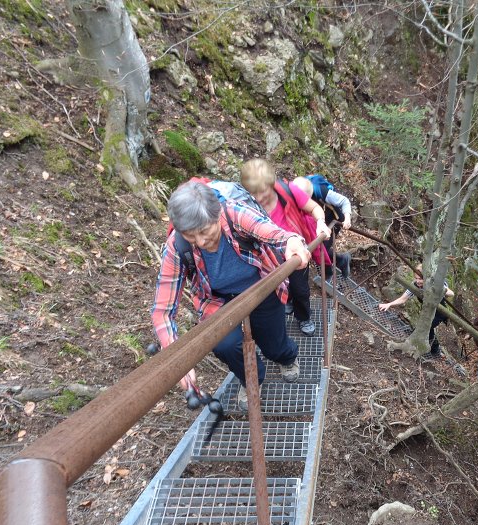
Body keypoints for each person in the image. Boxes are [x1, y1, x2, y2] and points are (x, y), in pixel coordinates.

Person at [151, 180, 310, 410]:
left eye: (205, 231)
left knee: (273, 343)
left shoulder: (234, 212)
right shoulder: (177, 247)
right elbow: (162, 311)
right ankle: (252, 379)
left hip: (261, 287)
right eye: (191, 236)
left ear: (217, 215)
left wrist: (292, 241)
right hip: (219, 301)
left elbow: (271, 231)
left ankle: (286, 358)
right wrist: (176, 360)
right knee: (225, 345)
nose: (201, 242)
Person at [240, 159, 332, 337]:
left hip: (296, 255)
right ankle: (288, 301)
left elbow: (314, 208)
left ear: (272, 183)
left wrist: (320, 222)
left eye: (263, 192)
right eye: (254, 193)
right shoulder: (245, 203)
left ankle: (304, 316)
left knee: (300, 289)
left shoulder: (288, 191)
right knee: (279, 288)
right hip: (268, 257)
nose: (258, 198)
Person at [378, 266, 455, 357]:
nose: (418, 281)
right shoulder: (414, 285)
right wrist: (389, 304)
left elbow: (451, 293)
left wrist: (439, 289)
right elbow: (403, 299)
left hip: (440, 313)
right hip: (427, 311)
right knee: (427, 327)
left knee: (426, 327)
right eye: (416, 278)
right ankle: (434, 349)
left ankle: (434, 350)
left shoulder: (435, 283)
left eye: (420, 279)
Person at [291, 175, 352, 281]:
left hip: (333, 221)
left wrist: (347, 218)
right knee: (316, 245)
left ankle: (336, 265)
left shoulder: (322, 191)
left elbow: (344, 201)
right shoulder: (296, 188)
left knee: (322, 246)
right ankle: (334, 264)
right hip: (318, 218)